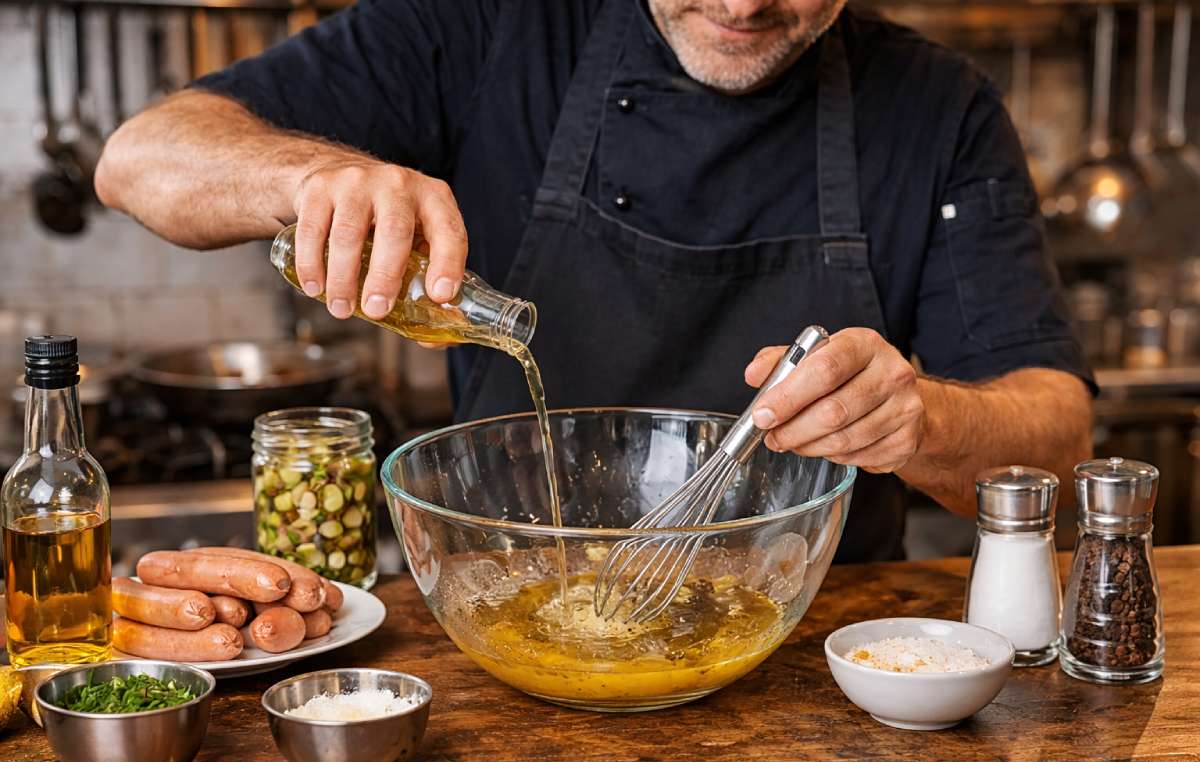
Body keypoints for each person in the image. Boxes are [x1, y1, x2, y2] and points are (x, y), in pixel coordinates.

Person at [95, 0, 1094, 561]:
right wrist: (307, 174)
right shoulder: (485, 28)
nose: (744, 3)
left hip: (807, 650)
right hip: (503, 626)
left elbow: (1058, 438)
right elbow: (141, 160)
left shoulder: (937, 108)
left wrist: (918, 418)